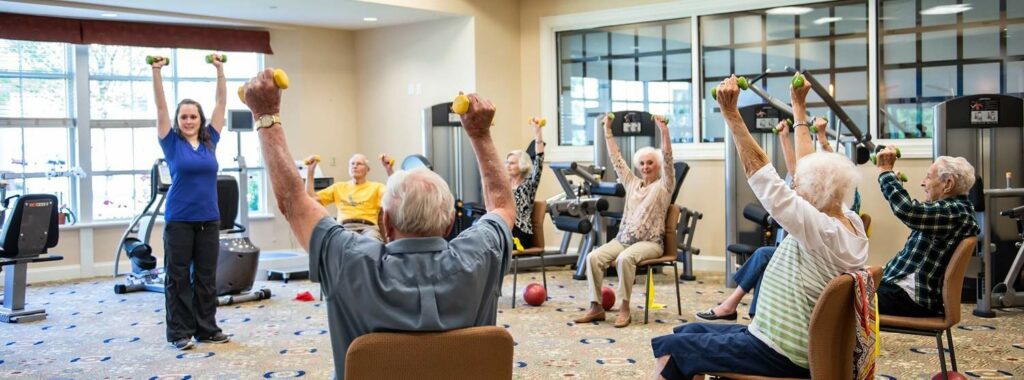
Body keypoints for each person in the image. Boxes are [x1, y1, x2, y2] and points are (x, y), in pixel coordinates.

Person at [239, 72, 514, 380]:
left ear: (386, 220)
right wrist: (480, 135)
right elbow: (502, 206)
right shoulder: (480, 254)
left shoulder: (349, 259)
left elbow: (292, 201)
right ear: (450, 222)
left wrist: (265, 115)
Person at [651, 75, 868, 379]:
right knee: (687, 330)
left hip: (779, 352)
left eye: (800, 185)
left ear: (815, 193)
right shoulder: (848, 221)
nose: (795, 185)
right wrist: (799, 107)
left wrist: (731, 114)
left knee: (673, 347)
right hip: (791, 343)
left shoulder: (819, 229)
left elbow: (762, 175)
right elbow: (810, 167)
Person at [696, 117, 855, 322]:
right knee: (766, 256)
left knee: (769, 257)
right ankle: (744, 312)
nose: (798, 186)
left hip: (813, 269)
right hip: (812, 257)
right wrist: (784, 137)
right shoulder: (843, 215)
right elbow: (798, 171)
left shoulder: (826, 220)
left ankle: (741, 312)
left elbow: (768, 179)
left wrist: (730, 113)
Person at [151, 54, 230, 350]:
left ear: (200, 120)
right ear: (178, 120)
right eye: (183, 117)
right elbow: (160, 107)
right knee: (178, 278)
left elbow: (221, 104)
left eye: (193, 116)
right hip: (180, 220)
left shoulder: (211, 139)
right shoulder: (171, 142)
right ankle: (179, 333)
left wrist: (220, 71)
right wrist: (156, 71)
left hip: (208, 220)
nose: (188, 120)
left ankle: (207, 329)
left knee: (207, 277)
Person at [573, 114, 674, 328]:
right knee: (593, 257)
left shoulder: (664, 186)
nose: (646, 167)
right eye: (643, 163)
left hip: (651, 243)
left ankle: (624, 307)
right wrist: (607, 130)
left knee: (624, 259)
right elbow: (616, 159)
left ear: (657, 166)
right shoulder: (632, 183)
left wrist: (664, 131)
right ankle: (596, 306)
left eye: (651, 163)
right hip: (624, 239)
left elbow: (668, 157)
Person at [875, 148, 979, 317]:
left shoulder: (954, 212)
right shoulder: (955, 211)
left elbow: (907, 210)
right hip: (903, 293)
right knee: (846, 285)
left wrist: (885, 172)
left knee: (841, 296)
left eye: (928, 177)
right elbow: (917, 214)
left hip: (908, 298)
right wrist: (895, 184)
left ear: (948, 184)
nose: (923, 182)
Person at [304, 153, 396, 242]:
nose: (354, 166)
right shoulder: (338, 187)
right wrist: (310, 171)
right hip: (344, 228)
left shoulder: (376, 187)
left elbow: (394, 194)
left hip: (368, 228)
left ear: (368, 169)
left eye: (359, 164)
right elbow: (311, 199)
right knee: (334, 245)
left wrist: (389, 170)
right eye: (352, 164)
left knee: (373, 245)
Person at [507, 118, 545, 248]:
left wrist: (538, 132)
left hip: (521, 233)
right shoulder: (506, 184)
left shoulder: (529, 184)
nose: (508, 166)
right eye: (507, 162)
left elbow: (539, 160)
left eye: (511, 163)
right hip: (507, 227)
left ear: (522, 164)